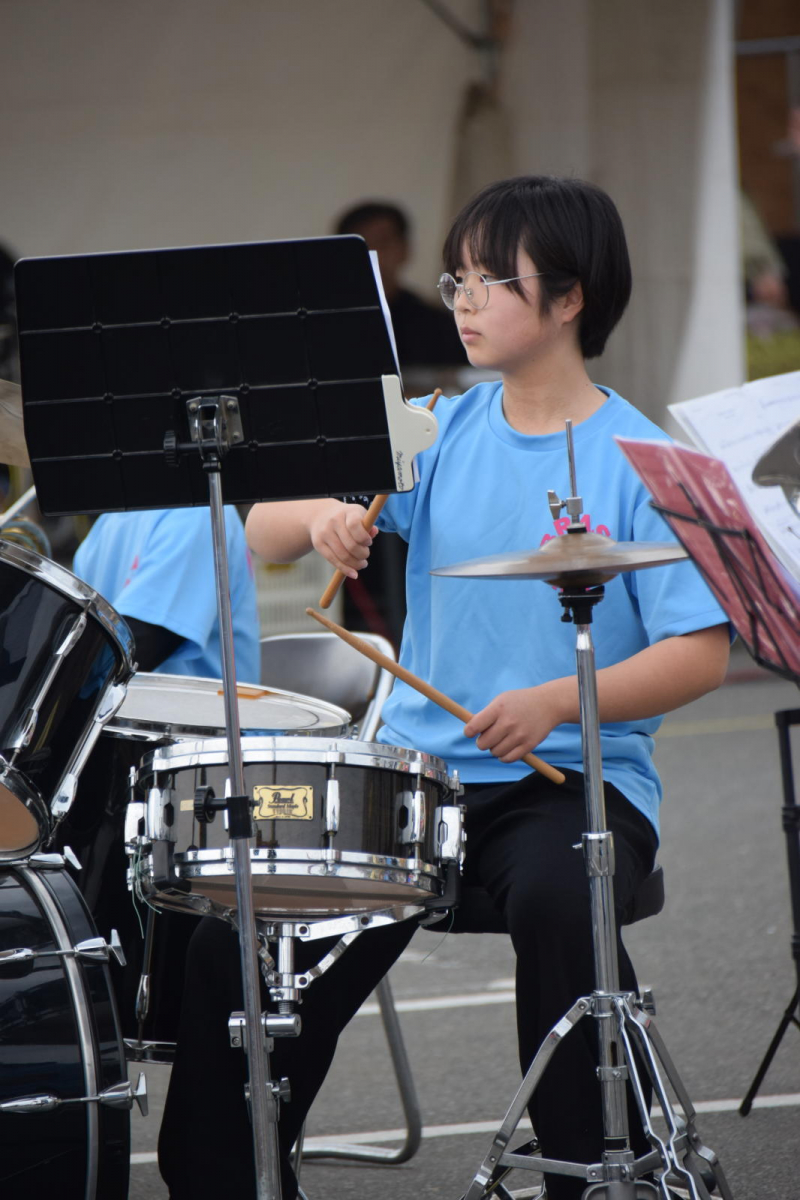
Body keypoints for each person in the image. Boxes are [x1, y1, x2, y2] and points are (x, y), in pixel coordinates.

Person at [160, 176, 730, 1200]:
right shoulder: (430, 425)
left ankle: (590, 1174)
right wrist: (324, 519)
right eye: (454, 277)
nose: (461, 301)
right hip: (416, 786)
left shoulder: (641, 461)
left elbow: (696, 655)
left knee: (564, 901)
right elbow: (260, 527)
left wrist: (556, 702)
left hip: (570, 783)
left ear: (568, 299)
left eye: (489, 281)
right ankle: (226, 1179)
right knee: (236, 930)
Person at [72, 504, 260, 681]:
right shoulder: (110, 520)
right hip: (134, 710)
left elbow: (137, 645)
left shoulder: (198, 510)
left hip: (201, 713)